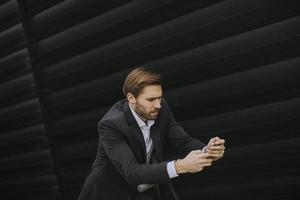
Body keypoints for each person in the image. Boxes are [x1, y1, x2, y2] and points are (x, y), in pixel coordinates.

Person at [78, 67, 225, 200]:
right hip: (111, 193)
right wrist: (181, 166)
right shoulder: (111, 125)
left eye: (159, 98)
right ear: (131, 98)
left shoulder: (161, 109)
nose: (158, 105)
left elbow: (183, 141)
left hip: (148, 188)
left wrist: (208, 150)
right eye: (151, 100)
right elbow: (132, 173)